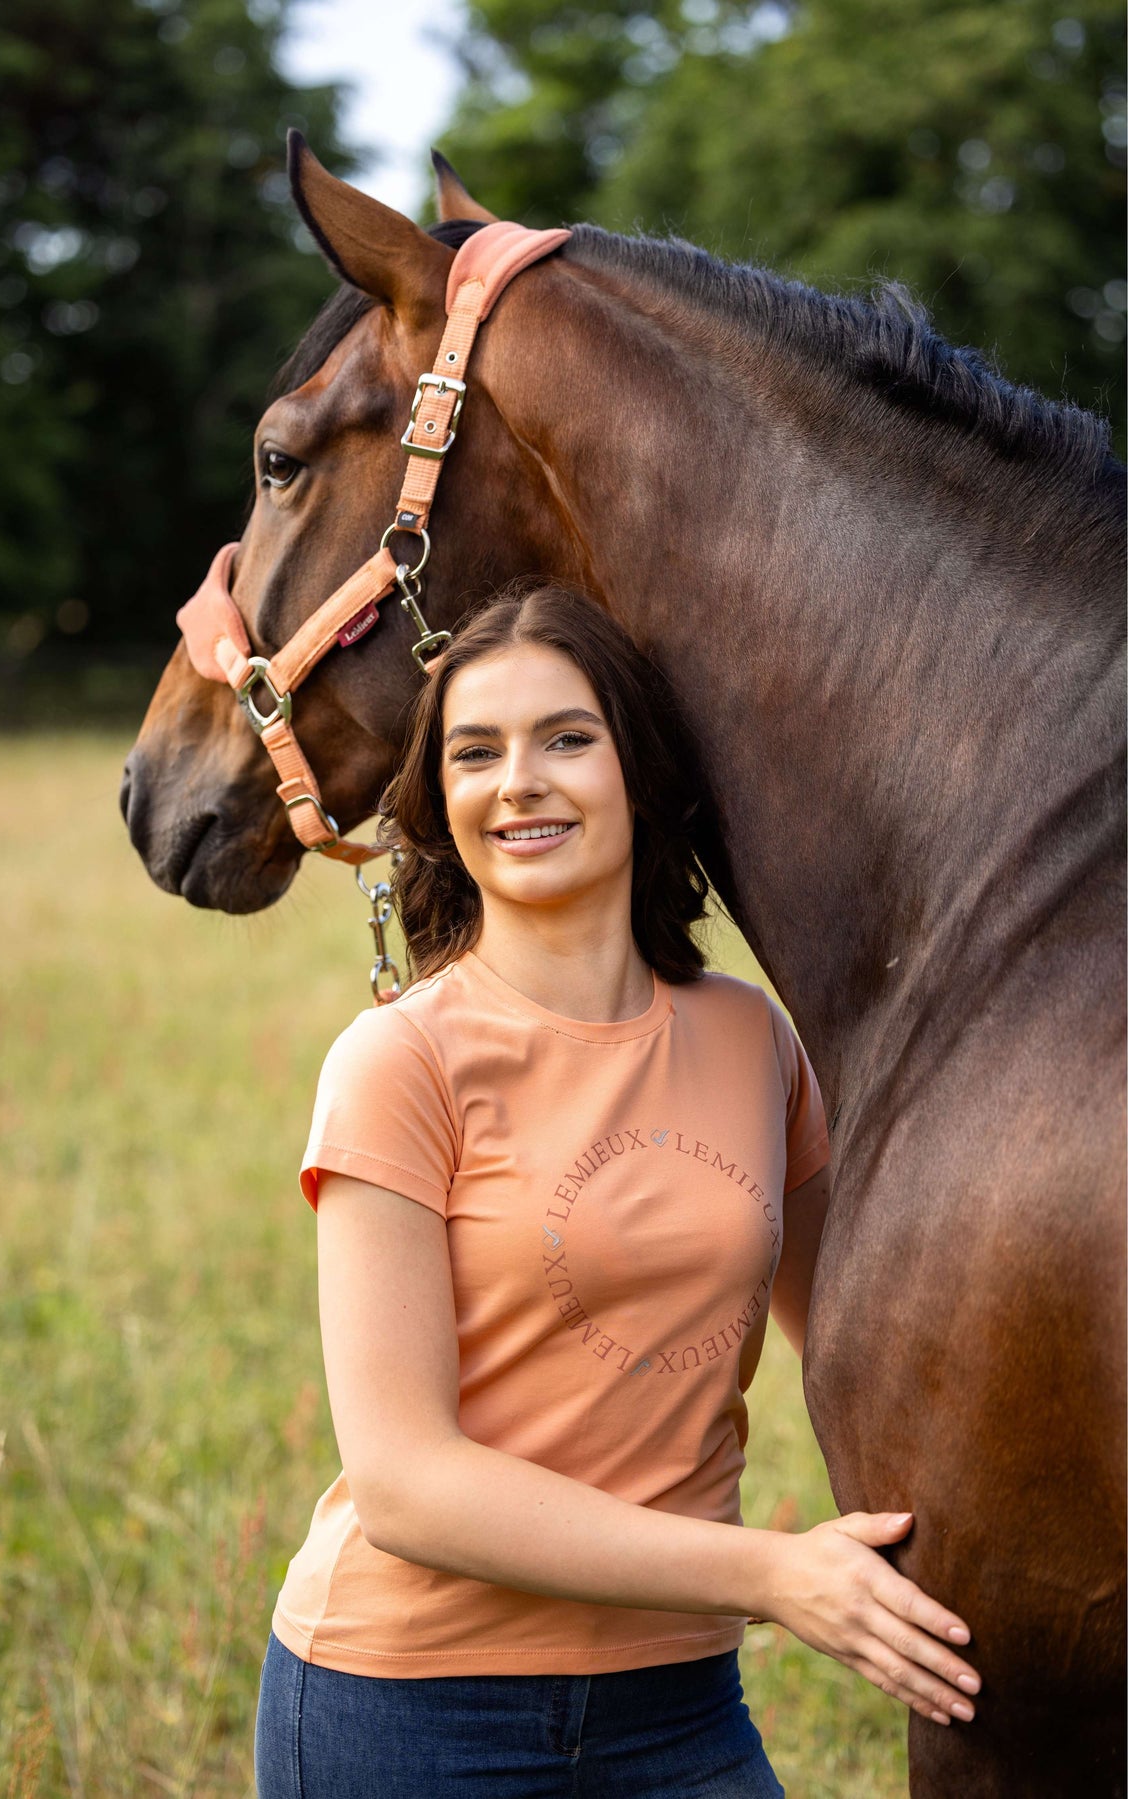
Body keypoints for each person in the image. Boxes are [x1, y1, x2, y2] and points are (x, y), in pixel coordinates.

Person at [254, 586, 981, 1798]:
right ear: (441, 802)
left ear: (640, 772)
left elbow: (870, 1345)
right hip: (409, 1713)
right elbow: (404, 1481)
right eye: (475, 752)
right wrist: (770, 1571)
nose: (518, 780)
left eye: (566, 738)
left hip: (680, 1709)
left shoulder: (753, 1038)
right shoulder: (399, 1061)